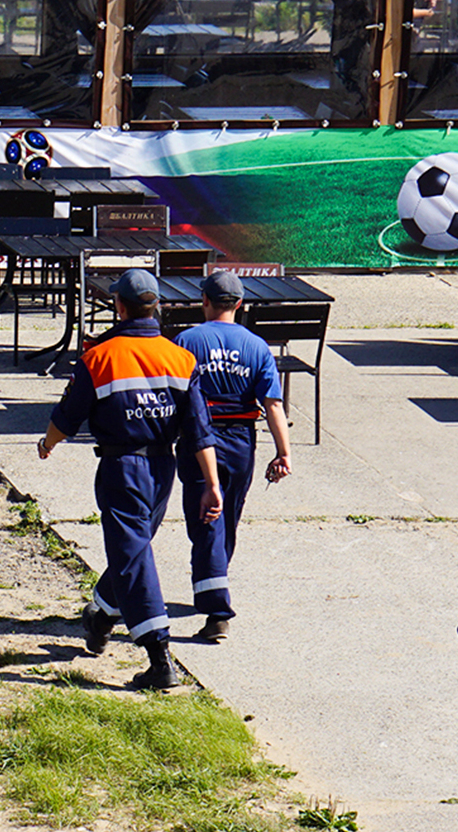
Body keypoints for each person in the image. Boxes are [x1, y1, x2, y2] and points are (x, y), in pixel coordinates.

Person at [37, 268, 221, 690]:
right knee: (132, 549)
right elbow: (198, 429)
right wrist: (211, 483)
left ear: (118, 306)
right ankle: (101, 617)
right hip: (163, 471)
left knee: (133, 554)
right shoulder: (180, 358)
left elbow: (67, 416)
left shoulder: (98, 357)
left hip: (122, 469)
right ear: (155, 305)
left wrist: (47, 445)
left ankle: (159, 658)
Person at [172, 271, 291, 643]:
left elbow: (174, 397)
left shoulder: (186, 341)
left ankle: (217, 611)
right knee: (228, 517)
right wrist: (283, 452)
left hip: (198, 439)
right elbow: (272, 403)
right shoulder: (257, 347)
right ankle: (210, 584)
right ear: (239, 305)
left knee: (205, 519)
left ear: (204, 301)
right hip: (242, 442)